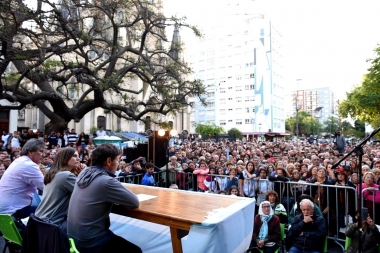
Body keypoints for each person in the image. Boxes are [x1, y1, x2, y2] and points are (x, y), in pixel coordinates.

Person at [67, 143, 141, 253]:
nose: (118, 164)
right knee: (135, 251)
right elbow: (134, 202)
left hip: (73, 238)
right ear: (109, 161)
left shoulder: (85, 173)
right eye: (117, 160)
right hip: (92, 242)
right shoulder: (106, 181)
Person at [34, 147, 83, 232]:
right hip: (53, 224)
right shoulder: (66, 176)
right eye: (75, 156)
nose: (79, 159)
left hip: (39, 220)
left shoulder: (51, 172)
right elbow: (86, 193)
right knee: (88, 227)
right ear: (65, 158)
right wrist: (83, 173)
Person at [0, 139, 45, 219]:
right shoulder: (29, 165)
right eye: (40, 151)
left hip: (5, 209)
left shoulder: (19, 161)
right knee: (51, 212)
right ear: (30, 152)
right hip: (13, 211)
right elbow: (47, 187)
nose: (43, 155)